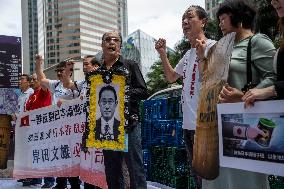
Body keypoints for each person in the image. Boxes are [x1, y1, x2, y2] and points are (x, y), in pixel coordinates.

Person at [210, 1, 276, 189]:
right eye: (219, 20)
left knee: (245, 179)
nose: (220, 24)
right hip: (222, 125)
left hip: (248, 124)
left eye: (223, 19)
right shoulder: (225, 47)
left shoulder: (257, 42)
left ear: (238, 19)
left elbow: (275, 78)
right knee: (219, 180)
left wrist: (245, 95)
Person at [155, 5, 216, 189]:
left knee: (209, 179)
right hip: (188, 125)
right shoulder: (188, 54)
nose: (185, 22)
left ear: (203, 22)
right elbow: (172, 77)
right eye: (183, 19)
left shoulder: (213, 46)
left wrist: (202, 56)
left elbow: (217, 81)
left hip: (206, 125)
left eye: (190, 17)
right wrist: (163, 54)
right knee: (197, 178)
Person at [98, 30, 148, 189]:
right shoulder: (98, 72)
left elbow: (143, 91)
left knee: (135, 168)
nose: (111, 42)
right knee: (111, 170)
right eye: (108, 39)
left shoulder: (130, 65)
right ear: (102, 45)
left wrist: (122, 91)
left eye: (115, 39)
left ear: (119, 45)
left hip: (129, 125)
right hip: (107, 126)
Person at [35, 55, 81, 189]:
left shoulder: (76, 86)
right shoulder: (55, 85)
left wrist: (67, 103)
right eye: (58, 71)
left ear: (70, 72)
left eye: (62, 70)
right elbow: (41, 78)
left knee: (72, 156)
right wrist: (39, 63)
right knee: (61, 155)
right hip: (57, 129)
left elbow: (82, 102)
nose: (60, 73)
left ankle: (74, 184)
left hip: (72, 128)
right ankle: (60, 183)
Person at [242, 0, 284, 105]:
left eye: (224, 18)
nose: (273, 2)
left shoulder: (258, 40)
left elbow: (272, 78)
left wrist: (270, 90)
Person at [25, 72, 55, 188]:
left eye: (34, 79)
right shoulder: (32, 95)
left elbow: (43, 80)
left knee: (45, 154)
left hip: (43, 129)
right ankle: (36, 178)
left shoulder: (43, 92)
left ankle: (49, 180)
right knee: (35, 154)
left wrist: (38, 66)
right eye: (31, 80)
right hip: (32, 129)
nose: (32, 82)